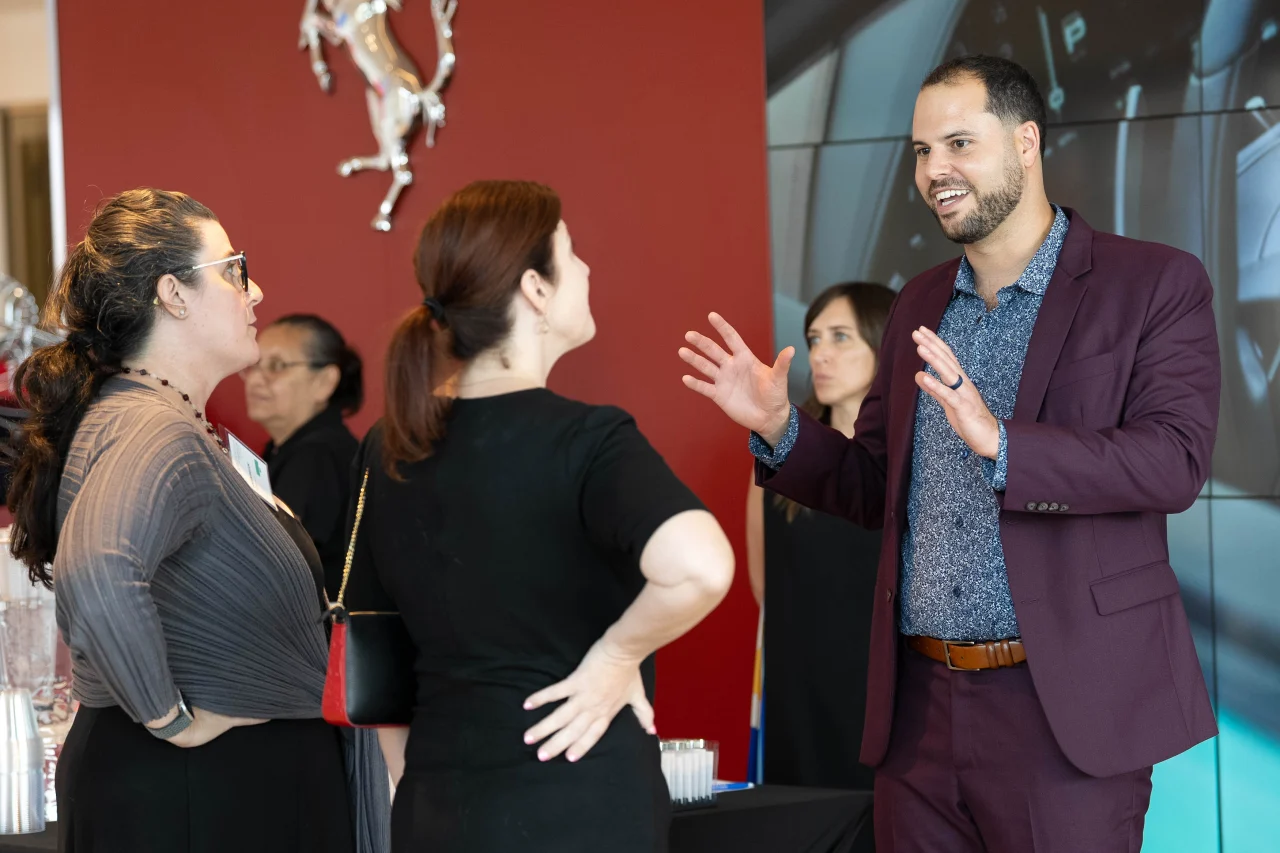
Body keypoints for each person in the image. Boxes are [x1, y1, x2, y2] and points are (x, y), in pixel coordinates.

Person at [680, 55, 1219, 853]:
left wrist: (1005, 444)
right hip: (919, 714)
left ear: (1027, 141)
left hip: (1064, 709)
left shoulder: (1152, 284)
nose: (936, 171)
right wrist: (779, 429)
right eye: (922, 151)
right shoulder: (921, 302)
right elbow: (873, 485)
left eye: (960, 144)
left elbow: (1173, 460)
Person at [344, 180, 735, 853]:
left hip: (437, 801)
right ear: (535, 289)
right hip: (578, 802)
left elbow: (376, 642)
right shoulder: (587, 438)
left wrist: (413, 783)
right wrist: (617, 656)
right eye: (571, 252)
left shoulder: (389, 443)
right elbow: (701, 566)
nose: (585, 268)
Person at [4, 188, 388, 853]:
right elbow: (98, 569)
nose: (257, 290)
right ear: (173, 295)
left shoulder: (159, 419)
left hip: (218, 786)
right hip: (199, 789)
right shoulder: (154, 427)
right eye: (235, 270)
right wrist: (171, 718)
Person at [745, 282, 894, 794]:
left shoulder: (920, 459)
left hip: (887, 693)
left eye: (840, 337)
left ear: (884, 343)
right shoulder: (777, 455)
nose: (820, 355)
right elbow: (764, 584)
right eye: (813, 339)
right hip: (799, 686)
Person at [243, 314, 362, 599]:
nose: (256, 380)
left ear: (325, 381)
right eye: (254, 365)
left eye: (276, 366)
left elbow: (275, 560)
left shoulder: (318, 453)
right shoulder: (288, 447)